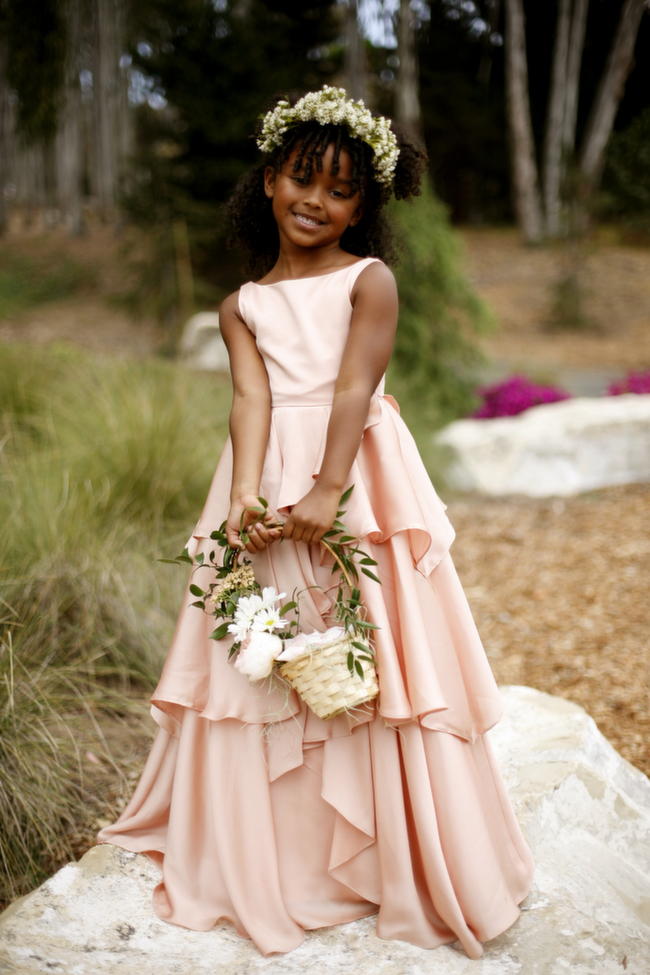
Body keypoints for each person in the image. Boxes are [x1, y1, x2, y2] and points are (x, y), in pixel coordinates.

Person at [96, 85, 535, 959]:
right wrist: (247, 498)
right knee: (266, 649)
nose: (316, 202)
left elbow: (352, 387)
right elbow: (252, 397)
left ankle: (386, 851)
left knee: (369, 641)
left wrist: (327, 489)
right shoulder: (242, 305)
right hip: (267, 469)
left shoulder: (368, 281)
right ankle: (283, 848)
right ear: (267, 181)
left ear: (364, 206)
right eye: (302, 179)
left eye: (340, 191)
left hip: (355, 467)